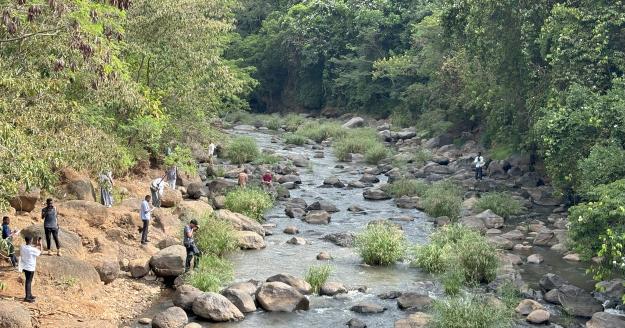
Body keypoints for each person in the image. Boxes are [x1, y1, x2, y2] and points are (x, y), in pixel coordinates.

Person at [20, 235, 42, 303]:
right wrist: (41, 245)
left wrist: (36, 245)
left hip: (25, 266)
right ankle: (27, 297)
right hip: (30, 267)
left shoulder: (22, 247)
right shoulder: (32, 249)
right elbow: (40, 252)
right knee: (28, 282)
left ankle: (29, 295)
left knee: (28, 281)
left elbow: (30, 248)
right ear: (31, 241)